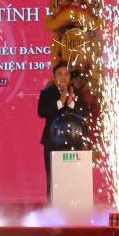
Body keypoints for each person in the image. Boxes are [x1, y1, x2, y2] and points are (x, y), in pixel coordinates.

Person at [37, 62, 90, 203]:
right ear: (54, 76)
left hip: (75, 141)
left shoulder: (76, 92)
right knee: (53, 176)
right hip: (52, 141)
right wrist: (60, 102)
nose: (63, 77)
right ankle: (53, 206)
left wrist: (71, 103)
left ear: (70, 76)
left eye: (66, 74)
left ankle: (74, 205)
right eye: (59, 74)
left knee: (73, 175)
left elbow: (85, 111)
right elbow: (42, 112)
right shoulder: (47, 93)